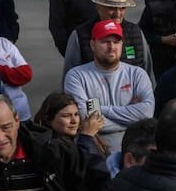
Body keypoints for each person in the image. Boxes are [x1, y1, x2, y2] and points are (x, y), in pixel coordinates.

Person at [64, 20, 155, 151]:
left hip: (135, 150)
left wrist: (100, 109)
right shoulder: (76, 76)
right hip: (95, 149)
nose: (111, 46)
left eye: (116, 42)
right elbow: (85, 119)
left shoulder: (137, 74)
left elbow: (146, 113)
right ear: (92, 45)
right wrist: (133, 120)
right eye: (105, 41)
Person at [63, 0, 154, 80]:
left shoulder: (136, 32)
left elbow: (147, 72)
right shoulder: (80, 35)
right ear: (98, 7)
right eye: (112, 8)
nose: (117, 13)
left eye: (122, 8)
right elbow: (69, 76)